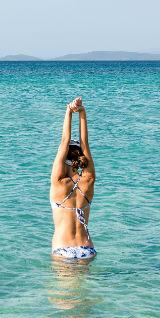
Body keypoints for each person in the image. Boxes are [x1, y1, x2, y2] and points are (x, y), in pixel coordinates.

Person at [49, 97, 96, 260]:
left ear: (64, 157)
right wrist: (82, 112)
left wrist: (69, 111)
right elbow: (85, 144)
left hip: (63, 248)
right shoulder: (88, 181)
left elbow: (64, 142)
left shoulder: (58, 184)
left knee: (59, 287)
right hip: (87, 249)